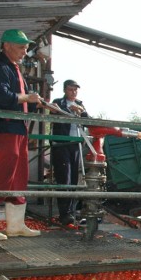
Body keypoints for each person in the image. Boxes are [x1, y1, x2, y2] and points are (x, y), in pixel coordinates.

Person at [0, 29, 42, 240]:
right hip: (2, 128)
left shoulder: (13, 68)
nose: (25, 51)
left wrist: (33, 101)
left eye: (26, 47)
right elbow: (0, 95)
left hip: (17, 128)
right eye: (21, 47)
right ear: (7, 46)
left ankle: (15, 224)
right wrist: (27, 98)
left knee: (18, 177)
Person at [51, 79, 89, 225]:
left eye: (75, 90)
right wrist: (69, 111)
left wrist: (81, 112)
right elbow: (54, 115)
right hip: (61, 144)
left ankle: (71, 212)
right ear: (65, 90)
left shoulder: (80, 104)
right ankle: (64, 214)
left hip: (75, 145)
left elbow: (87, 121)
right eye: (70, 90)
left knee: (74, 178)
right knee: (64, 178)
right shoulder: (58, 102)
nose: (73, 92)